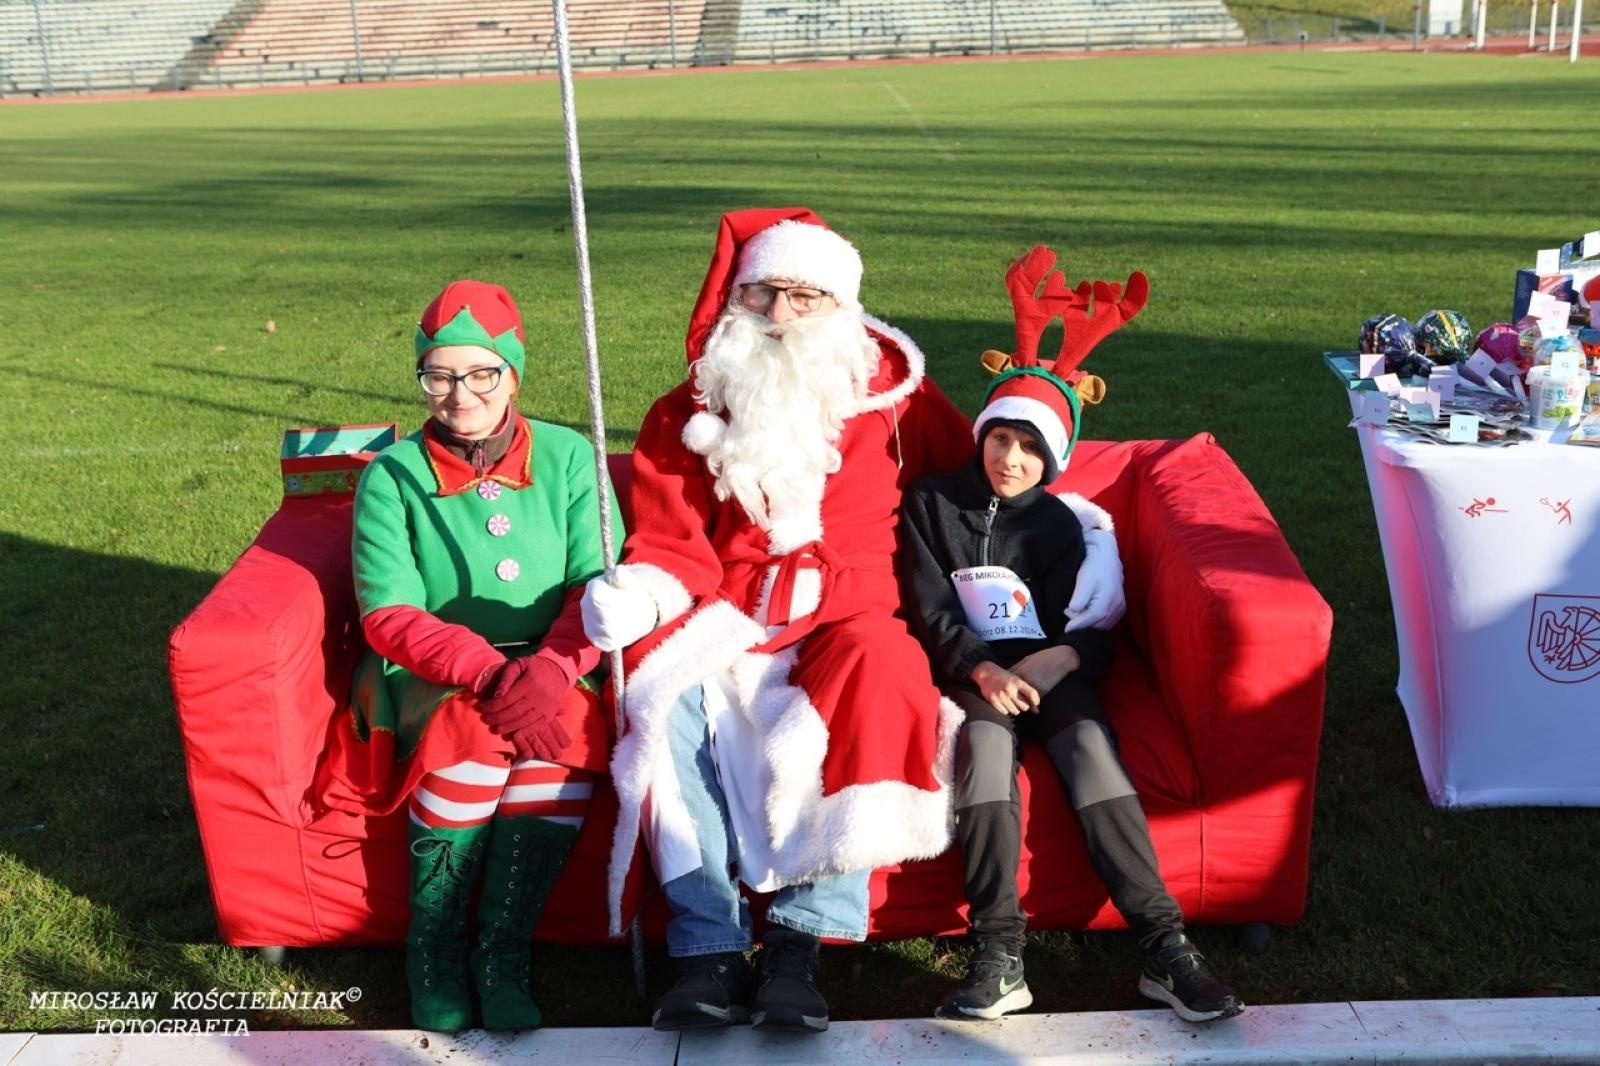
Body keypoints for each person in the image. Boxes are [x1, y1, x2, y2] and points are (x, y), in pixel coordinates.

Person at [579, 209, 1127, 1033]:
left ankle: (801, 946)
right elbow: (670, 538)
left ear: (841, 308)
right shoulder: (687, 410)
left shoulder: (898, 400)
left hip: (854, 613)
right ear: (737, 300)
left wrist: (1080, 530)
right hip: (727, 615)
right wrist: (646, 592)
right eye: (764, 294)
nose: (782, 316)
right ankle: (706, 949)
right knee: (664, 704)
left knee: (885, 670)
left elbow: (989, 483)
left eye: (806, 297)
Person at [898, 353, 1244, 1024]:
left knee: (1089, 746)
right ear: (983, 434)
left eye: (1031, 448)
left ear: (1051, 459)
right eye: (1001, 438)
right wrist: (981, 668)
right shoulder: (930, 503)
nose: (1011, 458)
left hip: (1049, 671)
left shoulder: (1063, 527)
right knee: (987, 757)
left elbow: (1094, 626)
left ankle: (1164, 947)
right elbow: (929, 608)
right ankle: (999, 955)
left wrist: (1062, 659)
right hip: (973, 676)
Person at [315, 279, 615, 1032]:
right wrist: (484, 671)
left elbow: (595, 581)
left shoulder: (572, 456)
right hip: (433, 674)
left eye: (481, 373)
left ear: (513, 374)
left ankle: (502, 953)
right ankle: (436, 948)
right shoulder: (393, 474)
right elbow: (389, 611)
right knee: (477, 745)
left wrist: (550, 669)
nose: (460, 393)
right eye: (440, 375)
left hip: (553, 667)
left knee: (559, 752)